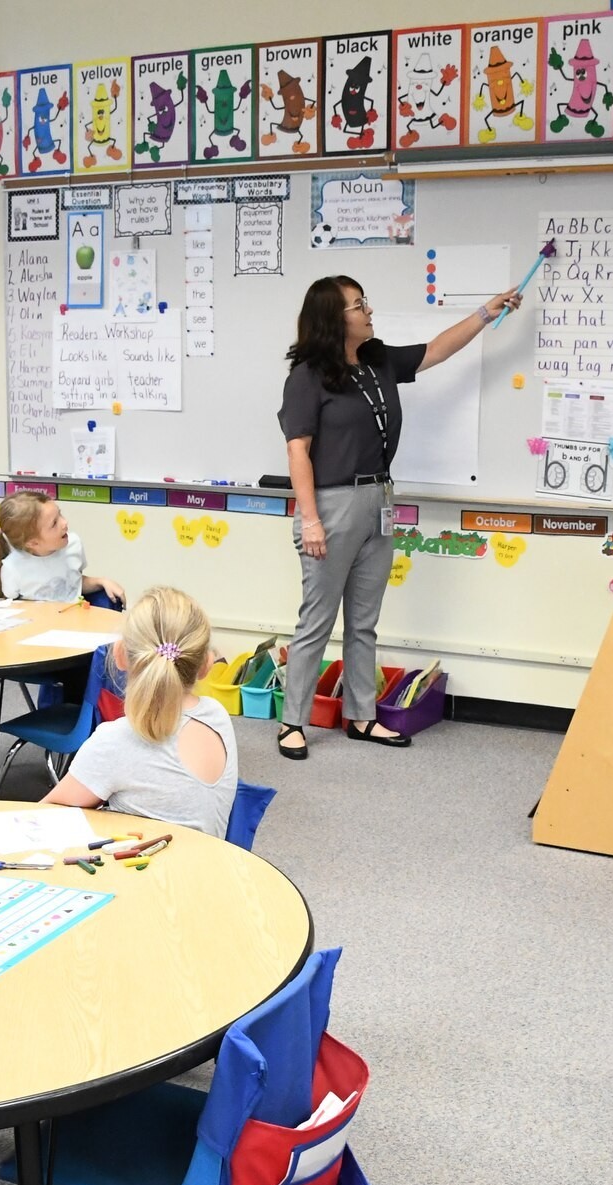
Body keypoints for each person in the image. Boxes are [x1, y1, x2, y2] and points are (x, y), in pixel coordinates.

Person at [274, 275, 521, 758]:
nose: (368, 310)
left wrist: (486, 313)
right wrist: (310, 519)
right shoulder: (307, 376)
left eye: (366, 300)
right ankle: (292, 723)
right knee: (317, 621)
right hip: (330, 504)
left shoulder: (377, 360)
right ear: (333, 317)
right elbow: (297, 450)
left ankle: (362, 717)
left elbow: (437, 350)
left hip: (380, 500)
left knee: (364, 622)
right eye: (358, 304)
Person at [40, 586, 236, 838]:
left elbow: (44, 817)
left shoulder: (115, 741)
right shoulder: (217, 716)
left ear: (120, 655)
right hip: (207, 870)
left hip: (146, 875)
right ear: (206, 665)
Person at [0, 491, 125, 605]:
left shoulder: (73, 544)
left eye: (60, 514)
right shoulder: (12, 568)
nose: (64, 523)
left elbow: (72, 583)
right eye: (54, 523)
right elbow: (14, 606)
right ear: (33, 543)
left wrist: (102, 582)